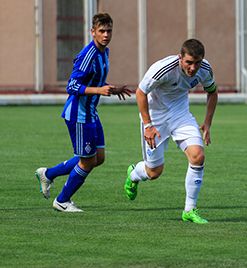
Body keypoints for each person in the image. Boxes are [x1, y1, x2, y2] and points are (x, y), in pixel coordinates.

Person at [35, 13, 131, 212]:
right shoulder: (88, 55)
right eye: (102, 31)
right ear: (93, 32)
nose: (106, 35)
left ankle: (49, 174)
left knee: (98, 158)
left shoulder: (105, 52)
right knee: (87, 162)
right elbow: (71, 85)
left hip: (91, 113)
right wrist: (99, 90)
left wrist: (111, 89)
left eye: (109, 31)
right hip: (78, 115)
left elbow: (93, 82)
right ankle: (62, 201)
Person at [124, 39, 218, 224]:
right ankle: (134, 174)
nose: (193, 68)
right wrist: (148, 125)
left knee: (198, 156)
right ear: (180, 58)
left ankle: (189, 210)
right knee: (154, 172)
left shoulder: (205, 69)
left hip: (180, 115)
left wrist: (207, 122)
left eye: (197, 62)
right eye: (189, 62)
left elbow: (212, 92)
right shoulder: (163, 68)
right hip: (155, 117)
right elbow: (140, 92)